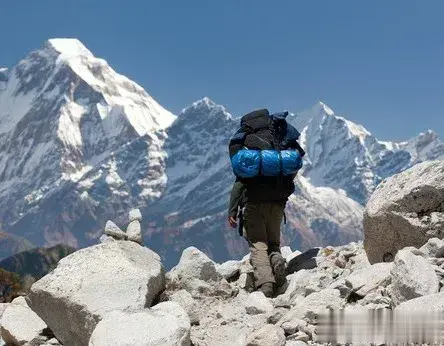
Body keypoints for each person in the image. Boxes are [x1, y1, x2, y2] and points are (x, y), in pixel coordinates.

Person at [227, 109, 303, 297]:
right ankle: (277, 259)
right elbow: (290, 174)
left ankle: (266, 284)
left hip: (253, 204)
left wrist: (233, 209)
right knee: (274, 243)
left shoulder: (248, 146)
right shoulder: (278, 143)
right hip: (277, 204)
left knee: (258, 244)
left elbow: (240, 182)